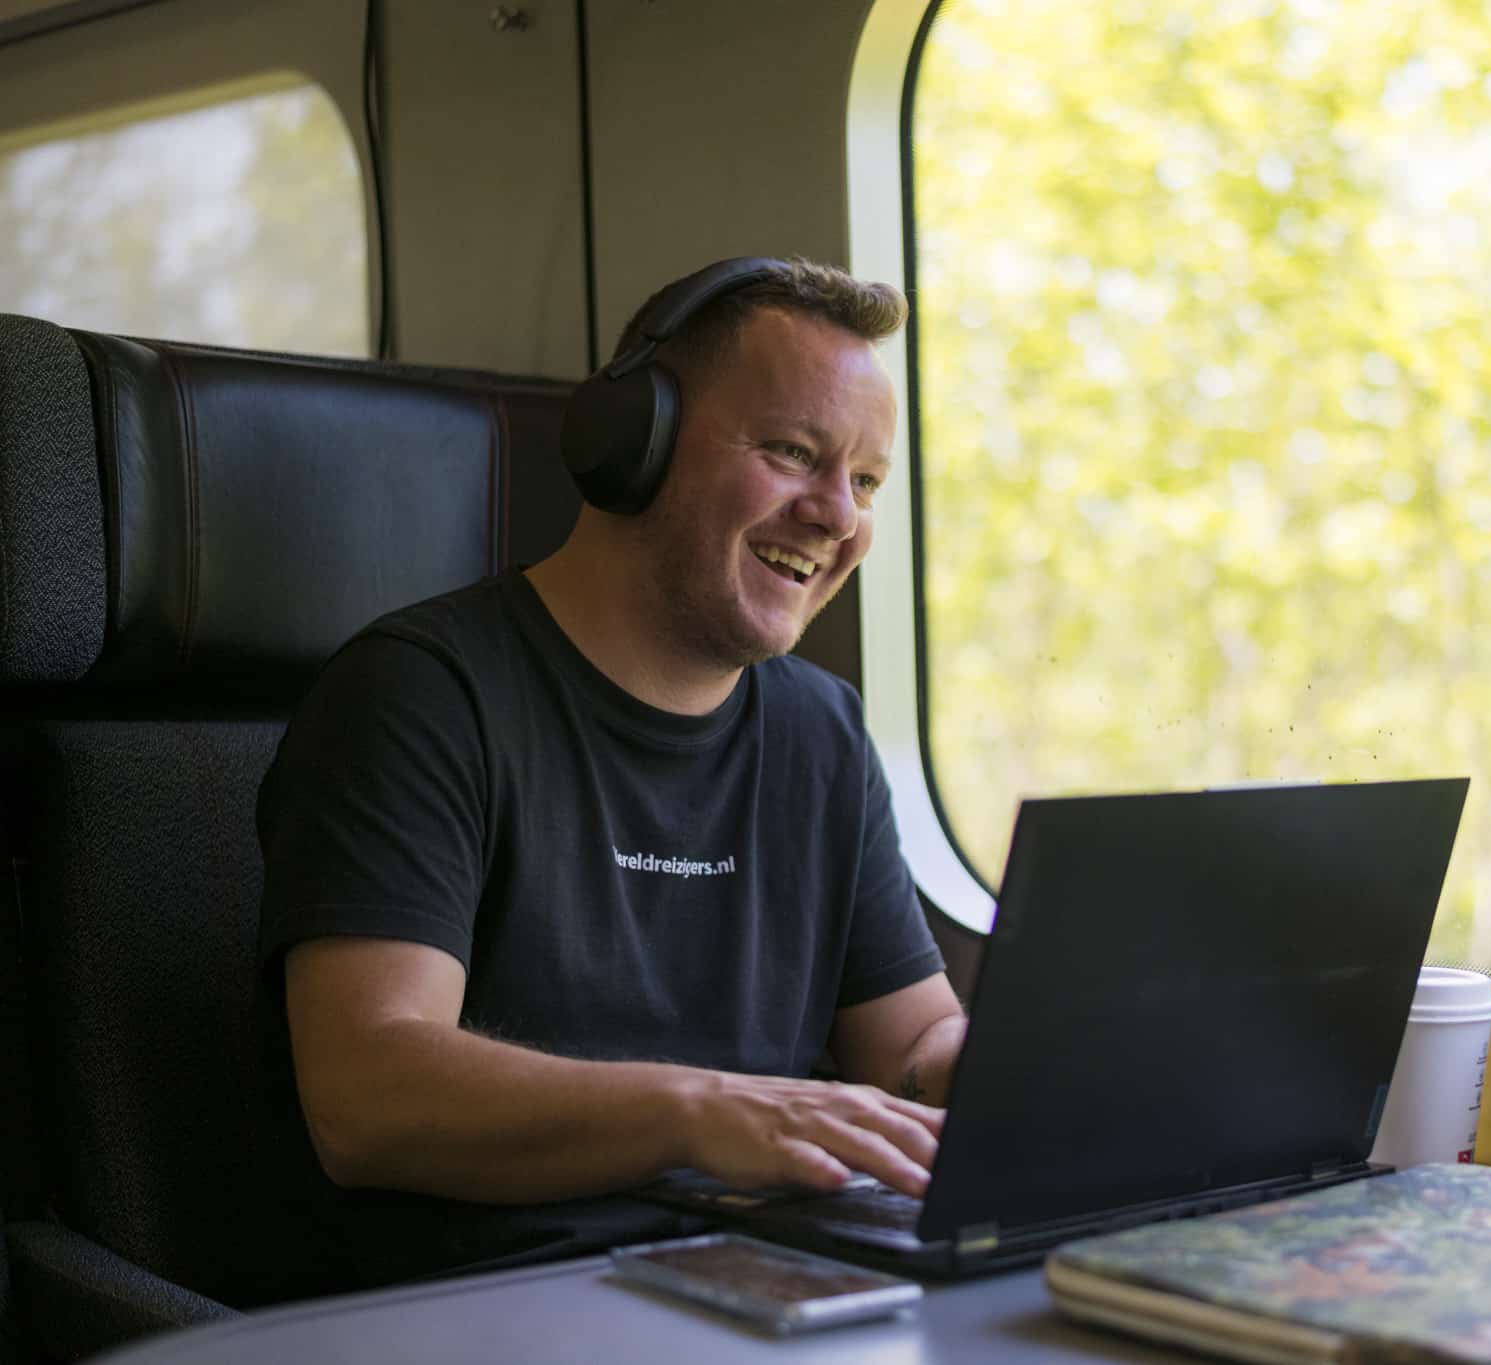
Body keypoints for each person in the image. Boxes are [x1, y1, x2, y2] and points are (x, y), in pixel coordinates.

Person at [254, 258, 967, 1288]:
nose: (837, 517)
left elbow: (911, 1050)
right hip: (487, 1302)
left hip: (764, 1281)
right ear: (629, 444)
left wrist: (1019, 1066)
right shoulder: (419, 695)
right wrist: (707, 1112)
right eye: (791, 453)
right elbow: (367, 1095)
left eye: (863, 481)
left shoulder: (823, 733)